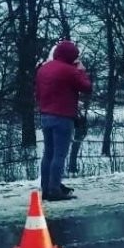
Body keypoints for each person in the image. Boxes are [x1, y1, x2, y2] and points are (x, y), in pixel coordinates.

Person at [35, 40, 92, 201]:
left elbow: (38, 93)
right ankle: (55, 189)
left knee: (48, 153)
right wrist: (80, 70)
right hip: (63, 116)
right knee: (59, 155)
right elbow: (87, 87)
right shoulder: (70, 71)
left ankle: (46, 188)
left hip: (45, 114)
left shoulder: (43, 69)